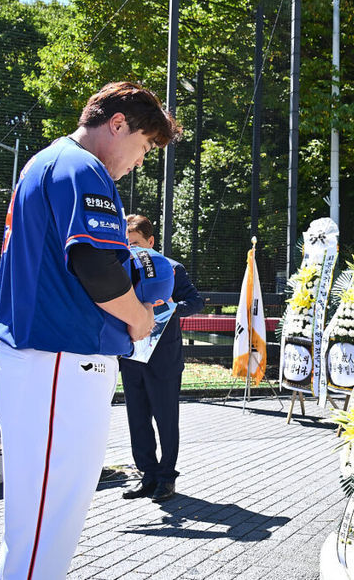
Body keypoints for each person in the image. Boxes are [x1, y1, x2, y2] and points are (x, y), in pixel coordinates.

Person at [0, 82, 180, 579]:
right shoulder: (82, 167)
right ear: (117, 124)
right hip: (57, 360)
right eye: (143, 147)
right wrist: (139, 316)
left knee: (39, 522)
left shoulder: (49, 162)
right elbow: (94, 266)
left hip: (45, 360)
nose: (140, 161)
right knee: (46, 525)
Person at [119, 215, 203, 503]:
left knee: (166, 419)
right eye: (125, 243)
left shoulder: (172, 268)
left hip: (164, 358)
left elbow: (196, 301)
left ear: (151, 242)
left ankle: (167, 479)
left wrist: (170, 308)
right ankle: (148, 475)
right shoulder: (121, 268)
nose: (130, 249)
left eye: (136, 243)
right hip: (131, 357)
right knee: (136, 419)